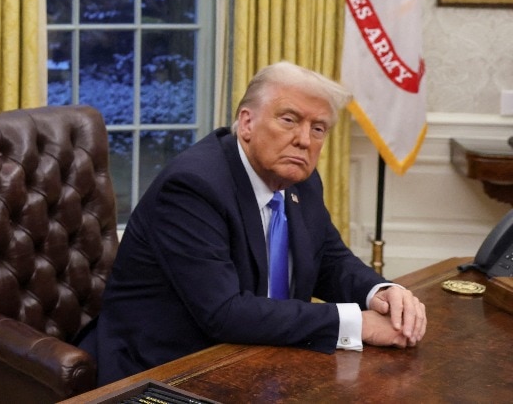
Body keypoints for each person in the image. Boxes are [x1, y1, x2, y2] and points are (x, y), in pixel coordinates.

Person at [79, 61, 427, 385]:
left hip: (256, 358)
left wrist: (381, 293)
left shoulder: (300, 180)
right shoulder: (192, 187)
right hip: (165, 368)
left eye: (317, 128)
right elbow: (224, 312)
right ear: (246, 123)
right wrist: (354, 323)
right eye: (289, 120)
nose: (304, 140)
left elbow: (329, 260)